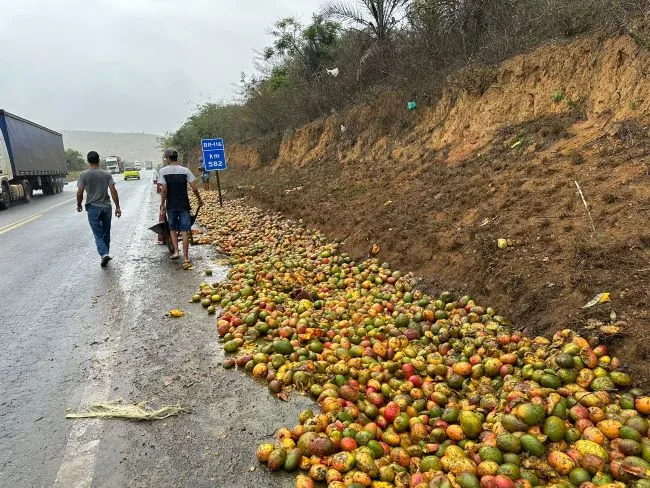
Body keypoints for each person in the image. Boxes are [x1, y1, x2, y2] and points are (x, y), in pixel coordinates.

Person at [76, 151, 122, 267]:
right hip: (107, 207)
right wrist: (117, 207)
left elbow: (80, 192)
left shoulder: (83, 175)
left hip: (93, 208)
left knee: (97, 233)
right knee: (106, 232)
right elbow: (113, 191)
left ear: (88, 161)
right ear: (98, 160)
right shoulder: (106, 174)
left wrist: (79, 204)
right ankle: (105, 253)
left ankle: (104, 253)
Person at [159, 148, 203, 265]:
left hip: (171, 205)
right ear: (176, 157)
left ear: (168, 158)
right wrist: (199, 200)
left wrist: (162, 204)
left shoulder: (163, 171)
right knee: (185, 230)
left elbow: (164, 190)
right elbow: (194, 188)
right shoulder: (185, 170)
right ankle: (186, 257)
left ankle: (176, 252)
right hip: (184, 204)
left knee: (172, 229)